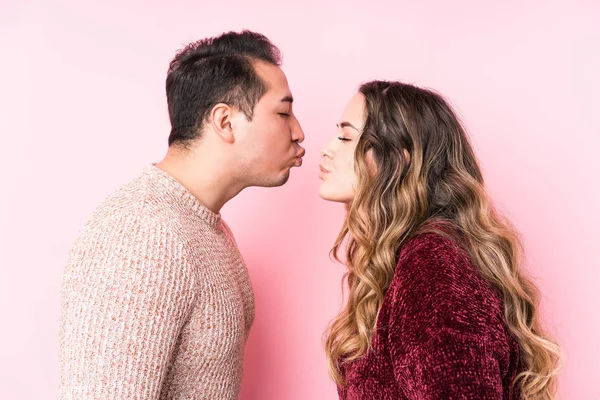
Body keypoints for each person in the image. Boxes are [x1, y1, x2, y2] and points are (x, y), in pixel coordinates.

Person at [59, 30, 305, 399]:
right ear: (225, 122)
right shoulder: (142, 235)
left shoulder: (208, 228)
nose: (299, 132)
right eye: (283, 113)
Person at [319, 80, 561, 399]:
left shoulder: (432, 268)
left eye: (346, 137)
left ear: (400, 158)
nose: (328, 148)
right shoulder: (407, 261)